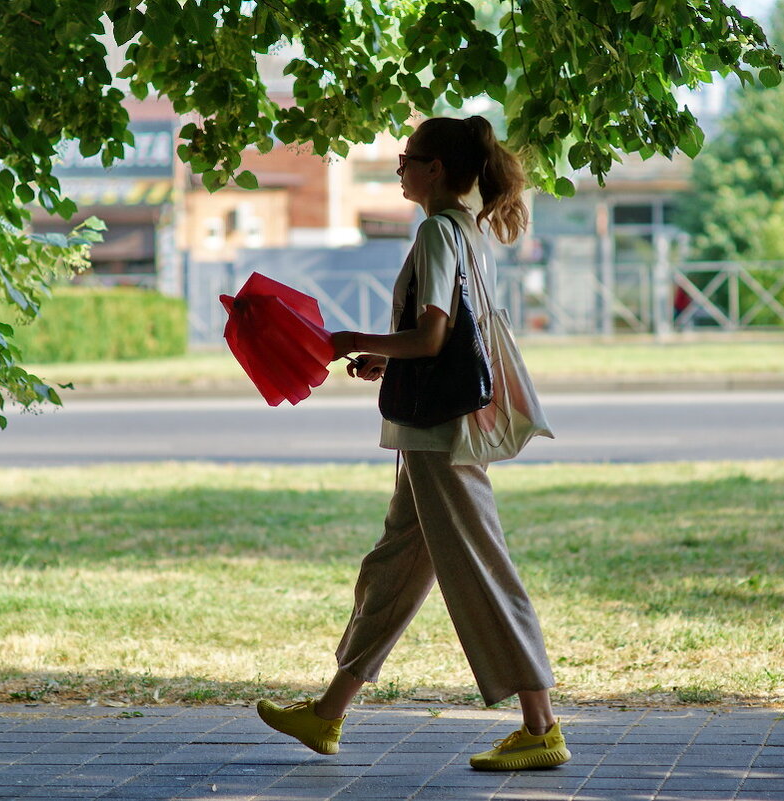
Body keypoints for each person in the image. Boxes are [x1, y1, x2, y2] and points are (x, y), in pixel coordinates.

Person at [255, 116, 570, 771]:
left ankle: (541, 726)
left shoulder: (434, 230)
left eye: (407, 158)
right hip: (437, 429)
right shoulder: (463, 230)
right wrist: (386, 361)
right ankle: (327, 714)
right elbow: (443, 339)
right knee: (393, 570)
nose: (398, 166)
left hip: (439, 436)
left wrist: (353, 342)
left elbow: (432, 338)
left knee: (482, 569)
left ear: (433, 170)